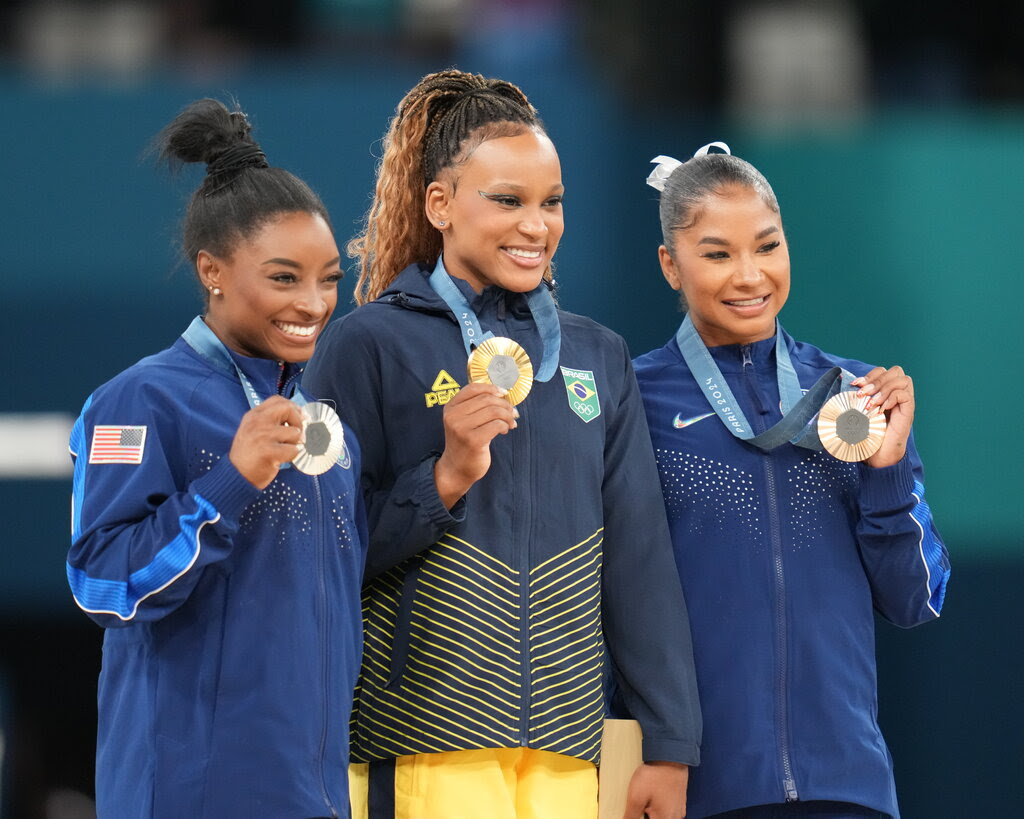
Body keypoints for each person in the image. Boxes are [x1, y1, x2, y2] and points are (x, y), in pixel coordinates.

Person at [303, 70, 701, 819]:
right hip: (422, 739)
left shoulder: (596, 356)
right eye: (508, 200)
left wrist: (669, 738)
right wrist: (443, 478)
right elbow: (314, 554)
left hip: (564, 746)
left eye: (552, 203)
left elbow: (639, 559)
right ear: (440, 204)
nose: (536, 224)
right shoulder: (367, 346)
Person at [65, 98, 367, 818]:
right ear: (214, 271)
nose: (316, 302)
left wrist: (446, 477)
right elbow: (101, 581)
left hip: (312, 792)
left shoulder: (327, 422)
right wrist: (230, 482)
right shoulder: (140, 401)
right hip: (187, 793)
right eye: (285, 277)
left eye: (329, 277)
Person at [633, 144, 951, 819]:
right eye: (717, 253)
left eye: (767, 247)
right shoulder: (633, 400)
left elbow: (915, 598)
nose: (750, 275)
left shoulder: (852, 395)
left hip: (848, 787)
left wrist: (887, 470)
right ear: (670, 265)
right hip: (699, 789)